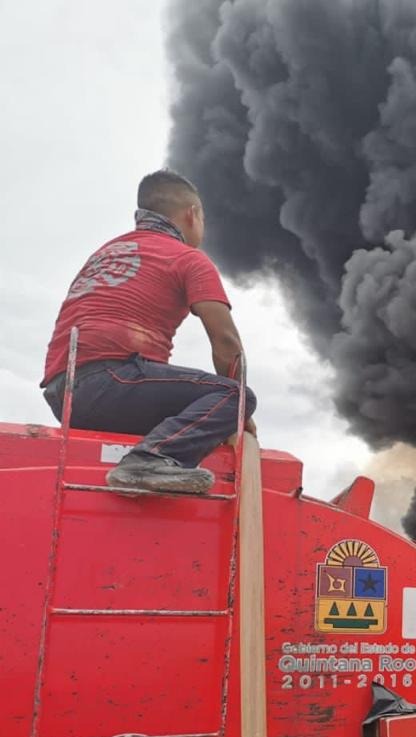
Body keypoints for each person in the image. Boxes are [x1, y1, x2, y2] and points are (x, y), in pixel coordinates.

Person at [41, 170, 256, 494]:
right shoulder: (187, 258)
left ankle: (152, 457)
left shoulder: (106, 253)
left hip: (64, 393)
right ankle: (150, 460)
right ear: (192, 214)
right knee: (234, 395)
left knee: (192, 413)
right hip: (110, 381)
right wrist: (237, 414)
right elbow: (226, 342)